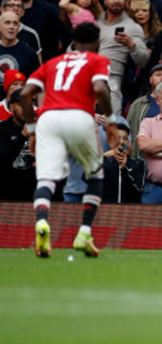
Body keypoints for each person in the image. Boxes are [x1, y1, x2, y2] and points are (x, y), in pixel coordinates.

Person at [26, 22, 119, 258]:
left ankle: (42, 223)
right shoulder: (97, 60)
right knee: (95, 174)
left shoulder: (53, 62)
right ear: (97, 43)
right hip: (79, 115)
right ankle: (84, 233)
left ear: (74, 43)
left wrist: (32, 129)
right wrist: (110, 120)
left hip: (47, 118)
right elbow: (99, 87)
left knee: (46, 179)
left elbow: (26, 93)